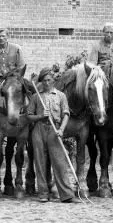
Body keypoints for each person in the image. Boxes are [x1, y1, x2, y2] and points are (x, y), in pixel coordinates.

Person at [25, 68, 78, 203]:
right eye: (44, 81)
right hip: (39, 130)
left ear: (53, 80)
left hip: (55, 131)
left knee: (60, 163)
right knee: (40, 163)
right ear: (41, 82)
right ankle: (43, 194)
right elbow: (28, 116)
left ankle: (67, 195)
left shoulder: (61, 96)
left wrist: (61, 129)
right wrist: (40, 116)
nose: (47, 83)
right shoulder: (36, 97)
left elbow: (66, 114)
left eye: (49, 80)